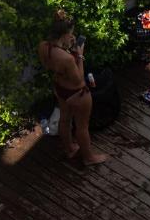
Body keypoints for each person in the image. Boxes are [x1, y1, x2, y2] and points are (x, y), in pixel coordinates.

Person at [37, 10, 109, 166]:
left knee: (65, 119)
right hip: (77, 93)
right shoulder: (68, 59)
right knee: (82, 127)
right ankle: (89, 157)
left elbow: (50, 64)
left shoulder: (43, 46)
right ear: (64, 34)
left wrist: (66, 47)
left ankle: (69, 149)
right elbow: (79, 81)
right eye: (70, 32)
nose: (72, 35)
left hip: (60, 88)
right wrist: (80, 55)